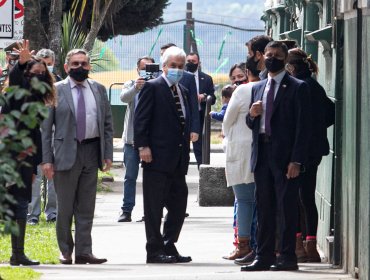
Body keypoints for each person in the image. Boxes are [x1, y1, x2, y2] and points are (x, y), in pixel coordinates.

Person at [242, 41, 311, 272]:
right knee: (264, 206)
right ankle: (263, 255)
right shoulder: (257, 87)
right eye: (268, 55)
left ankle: (287, 255)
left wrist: (296, 160)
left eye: (277, 56)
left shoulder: (298, 87)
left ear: (284, 59)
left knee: (286, 207)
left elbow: (303, 127)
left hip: (285, 157)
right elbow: (251, 123)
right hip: (262, 153)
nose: (271, 58)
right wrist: (252, 115)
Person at [41, 49, 113, 265]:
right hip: (64, 155)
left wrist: (107, 154)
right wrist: (46, 160)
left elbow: (107, 125)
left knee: (86, 207)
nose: (79, 67)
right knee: (64, 208)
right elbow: (46, 129)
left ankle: (84, 251)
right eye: (75, 64)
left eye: (83, 63)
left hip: (91, 153)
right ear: (66, 67)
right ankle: (66, 251)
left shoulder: (99, 90)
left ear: (89, 66)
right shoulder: (54, 90)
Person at [134, 46, 192, 264]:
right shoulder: (152, 87)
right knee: (154, 207)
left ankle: (169, 244)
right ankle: (154, 250)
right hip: (156, 158)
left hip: (177, 160)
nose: (177, 70)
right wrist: (143, 147)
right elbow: (141, 120)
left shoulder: (183, 91)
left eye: (180, 66)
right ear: (164, 66)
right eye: (173, 66)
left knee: (179, 206)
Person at [3, 39, 57, 266]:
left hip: (24, 161)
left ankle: (18, 254)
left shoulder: (37, 99)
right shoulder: (16, 92)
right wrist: (21, 64)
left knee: (21, 205)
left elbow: (35, 135)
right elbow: (16, 81)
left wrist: (34, 165)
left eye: (42, 73)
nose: (39, 75)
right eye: (34, 71)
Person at [286, 48, 335, 263]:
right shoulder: (315, 86)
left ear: (291, 67)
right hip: (314, 150)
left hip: (299, 150)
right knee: (307, 197)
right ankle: (310, 245)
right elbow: (330, 112)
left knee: (295, 198)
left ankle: (299, 245)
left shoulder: (297, 87)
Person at [222, 57, 261, 262]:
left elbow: (227, 122)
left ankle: (244, 245)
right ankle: (256, 244)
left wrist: (228, 136)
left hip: (241, 151)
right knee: (259, 201)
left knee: (244, 201)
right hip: (261, 150)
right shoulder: (268, 87)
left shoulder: (242, 91)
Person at [117, 56, 155, 223]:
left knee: (152, 178)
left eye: (150, 68)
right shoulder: (131, 83)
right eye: (143, 68)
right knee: (130, 177)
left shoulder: (158, 85)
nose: (146, 71)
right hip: (131, 140)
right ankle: (126, 210)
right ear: (137, 69)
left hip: (152, 141)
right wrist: (136, 88)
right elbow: (124, 98)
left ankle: (152, 211)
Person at [27, 48, 61, 225]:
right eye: (43, 64)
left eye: (49, 64)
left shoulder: (60, 85)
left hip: (54, 137)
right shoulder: (28, 85)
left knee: (52, 177)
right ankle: (32, 214)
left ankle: (52, 212)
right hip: (34, 136)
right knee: (35, 176)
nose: (46, 68)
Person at [185, 52, 216, 167]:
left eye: (193, 61)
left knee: (200, 149)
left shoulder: (207, 79)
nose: (191, 63)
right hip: (185, 116)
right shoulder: (181, 77)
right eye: (188, 61)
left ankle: (202, 173)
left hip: (200, 116)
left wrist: (204, 97)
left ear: (198, 63)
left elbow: (213, 98)